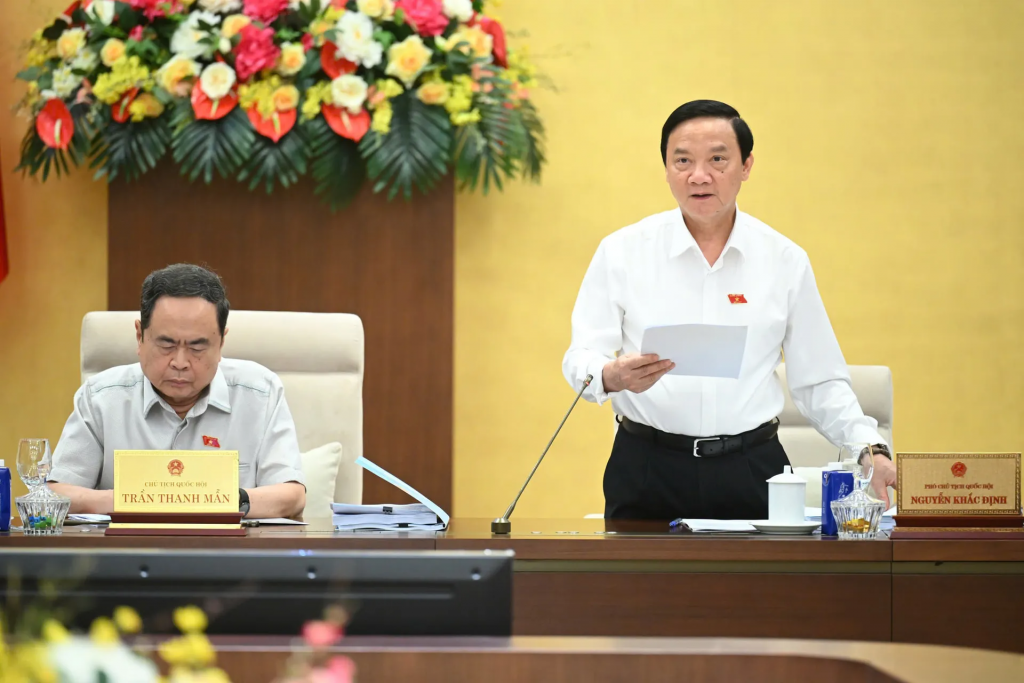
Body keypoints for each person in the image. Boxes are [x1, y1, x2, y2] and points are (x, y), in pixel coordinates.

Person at [562, 100, 896, 520]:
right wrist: (609, 375)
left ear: (746, 165)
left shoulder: (783, 260)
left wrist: (869, 448)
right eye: (682, 160)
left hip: (751, 467)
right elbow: (581, 355)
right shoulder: (622, 252)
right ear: (666, 168)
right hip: (646, 466)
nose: (699, 176)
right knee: (640, 568)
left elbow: (819, 381)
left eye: (718, 160)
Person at [48, 264, 306, 518]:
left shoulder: (261, 393)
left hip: (227, 545)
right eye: (166, 345)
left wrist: (221, 500)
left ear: (221, 342)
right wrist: (133, 499)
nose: (180, 362)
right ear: (139, 336)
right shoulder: (100, 398)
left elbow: (292, 496)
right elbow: (55, 494)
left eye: (197, 347)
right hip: (129, 545)